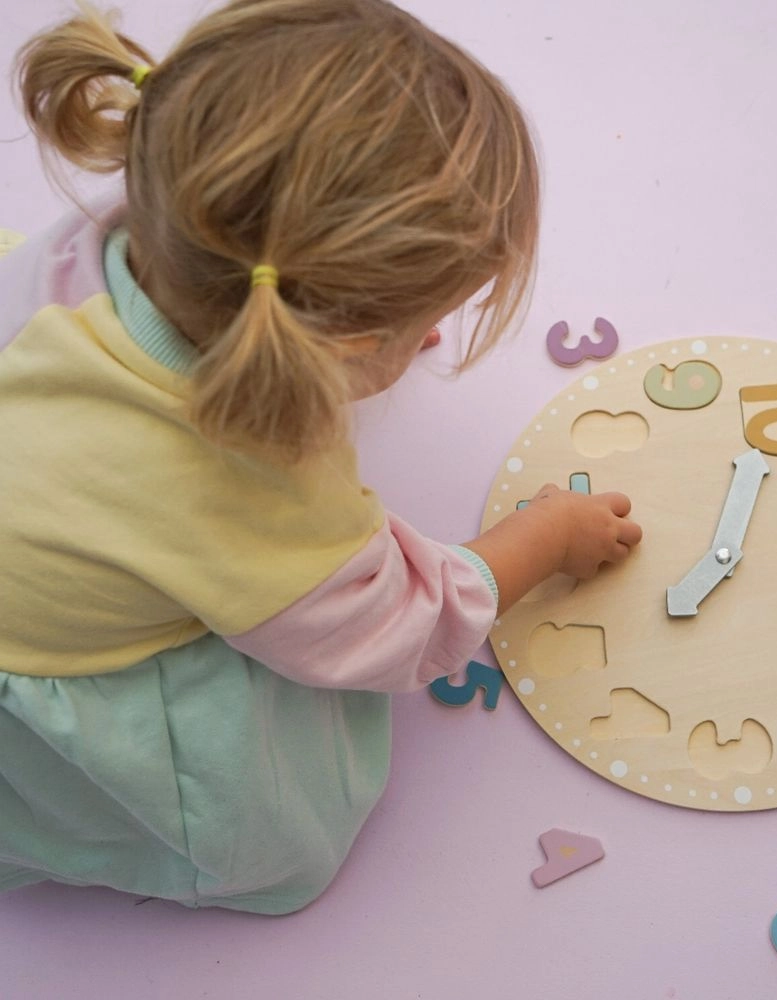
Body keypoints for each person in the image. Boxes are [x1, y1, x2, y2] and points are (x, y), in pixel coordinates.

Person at [0, 0, 642, 915]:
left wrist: (356, 319)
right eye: (428, 318)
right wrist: (544, 539)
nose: (438, 333)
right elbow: (394, 628)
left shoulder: (135, 230)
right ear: (344, 340)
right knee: (278, 837)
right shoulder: (247, 479)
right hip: (42, 662)